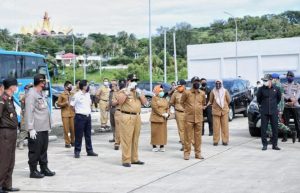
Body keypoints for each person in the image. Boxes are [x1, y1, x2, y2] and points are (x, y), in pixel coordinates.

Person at [25, 74, 55, 178]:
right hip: (36, 128)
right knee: (35, 150)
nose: (46, 83)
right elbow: (29, 111)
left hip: (44, 127)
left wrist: (49, 124)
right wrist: (30, 128)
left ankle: (44, 168)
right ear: (40, 82)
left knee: (43, 149)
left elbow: (45, 110)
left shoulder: (41, 93)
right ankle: (33, 171)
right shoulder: (31, 94)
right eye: (44, 82)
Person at [117, 74, 147, 167]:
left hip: (137, 116)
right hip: (127, 116)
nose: (135, 82)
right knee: (126, 138)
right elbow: (120, 102)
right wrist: (128, 90)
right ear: (128, 81)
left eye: (136, 80)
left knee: (135, 139)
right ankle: (126, 159)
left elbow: (145, 103)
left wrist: (140, 94)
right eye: (133, 80)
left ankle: (134, 158)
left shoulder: (138, 91)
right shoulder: (123, 91)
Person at [0, 78, 20, 192]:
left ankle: (7, 185)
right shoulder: (2, 99)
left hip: (12, 132)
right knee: (4, 160)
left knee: (11, 160)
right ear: (12, 87)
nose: (17, 88)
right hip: (5, 133)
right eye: (16, 86)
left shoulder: (9, 99)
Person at [70, 80, 98, 158]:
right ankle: (77, 151)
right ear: (83, 86)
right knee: (79, 135)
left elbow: (89, 104)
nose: (88, 86)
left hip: (88, 117)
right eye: (87, 85)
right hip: (79, 117)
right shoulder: (77, 95)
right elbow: (71, 105)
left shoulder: (88, 95)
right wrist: (77, 112)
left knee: (88, 135)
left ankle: (89, 151)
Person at [181, 76, 205, 160]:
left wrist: (198, 109)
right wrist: (188, 110)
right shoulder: (186, 93)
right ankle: (186, 153)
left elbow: (203, 103)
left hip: (199, 118)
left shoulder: (202, 93)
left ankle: (198, 153)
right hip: (189, 118)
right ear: (192, 83)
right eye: (195, 81)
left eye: (198, 81)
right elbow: (182, 102)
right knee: (188, 137)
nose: (197, 83)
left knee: (198, 137)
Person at [267, 73, 296, 143]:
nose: (271, 80)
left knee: (274, 123)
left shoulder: (278, 86)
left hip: (276, 108)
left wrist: (280, 110)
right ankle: (291, 132)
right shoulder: (274, 86)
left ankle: (290, 132)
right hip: (273, 108)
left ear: (276, 79)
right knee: (273, 123)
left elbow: (281, 99)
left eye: (272, 79)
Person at [257, 74, 281, 151]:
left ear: (270, 81)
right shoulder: (261, 89)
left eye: (266, 80)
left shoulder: (276, 89)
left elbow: (278, 99)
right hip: (264, 111)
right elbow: (259, 99)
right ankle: (264, 145)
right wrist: (264, 106)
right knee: (263, 129)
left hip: (274, 111)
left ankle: (275, 145)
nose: (264, 82)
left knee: (275, 129)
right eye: (263, 81)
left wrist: (273, 105)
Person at [208, 80, 231, 146]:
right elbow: (211, 101)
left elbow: (228, 100)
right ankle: (215, 141)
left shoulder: (225, 91)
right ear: (215, 84)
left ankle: (225, 141)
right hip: (216, 111)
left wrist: (224, 105)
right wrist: (216, 106)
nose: (218, 85)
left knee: (225, 127)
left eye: (219, 83)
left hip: (224, 111)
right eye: (216, 83)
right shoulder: (213, 91)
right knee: (216, 127)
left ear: (222, 84)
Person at [150, 85, 169, 152]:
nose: (162, 92)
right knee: (155, 133)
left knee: (162, 133)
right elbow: (155, 108)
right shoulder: (154, 98)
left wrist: (167, 113)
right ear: (157, 91)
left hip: (164, 119)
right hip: (156, 118)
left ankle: (162, 145)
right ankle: (154, 145)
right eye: (160, 91)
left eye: (162, 91)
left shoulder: (164, 99)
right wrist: (162, 114)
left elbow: (167, 107)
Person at [282, 71, 300, 142]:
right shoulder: (284, 85)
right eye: (288, 76)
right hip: (287, 106)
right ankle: (285, 137)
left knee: (297, 122)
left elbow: (298, 94)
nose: (289, 77)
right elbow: (282, 94)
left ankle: (299, 137)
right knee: (286, 123)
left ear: (293, 77)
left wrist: (293, 101)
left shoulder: (297, 85)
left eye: (290, 76)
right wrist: (289, 99)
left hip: (295, 106)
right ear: (287, 77)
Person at [57, 81, 75, 148]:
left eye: (71, 86)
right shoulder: (62, 95)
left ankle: (73, 141)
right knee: (66, 129)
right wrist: (65, 103)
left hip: (72, 114)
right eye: (69, 86)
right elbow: (58, 104)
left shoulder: (72, 94)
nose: (71, 87)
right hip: (65, 114)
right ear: (65, 87)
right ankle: (67, 142)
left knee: (73, 129)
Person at [169, 79, 186, 151]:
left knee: (189, 129)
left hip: (188, 113)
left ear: (184, 85)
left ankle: (190, 143)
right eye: (178, 86)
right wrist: (177, 107)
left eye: (180, 86)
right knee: (181, 129)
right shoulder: (175, 93)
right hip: (179, 113)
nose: (179, 87)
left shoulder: (189, 92)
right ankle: (184, 145)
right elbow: (171, 102)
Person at [17, 83, 33, 150]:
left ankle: (32, 143)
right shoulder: (22, 94)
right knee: (23, 129)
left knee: (32, 129)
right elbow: (21, 100)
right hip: (24, 114)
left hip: (32, 114)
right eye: (29, 88)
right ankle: (21, 143)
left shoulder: (33, 95)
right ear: (26, 89)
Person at [112, 79, 126, 150]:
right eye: (120, 84)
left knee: (127, 129)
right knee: (118, 129)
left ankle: (126, 143)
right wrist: (119, 100)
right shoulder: (116, 93)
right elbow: (113, 103)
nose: (122, 85)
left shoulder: (128, 92)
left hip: (126, 112)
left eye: (123, 84)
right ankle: (117, 143)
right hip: (118, 112)